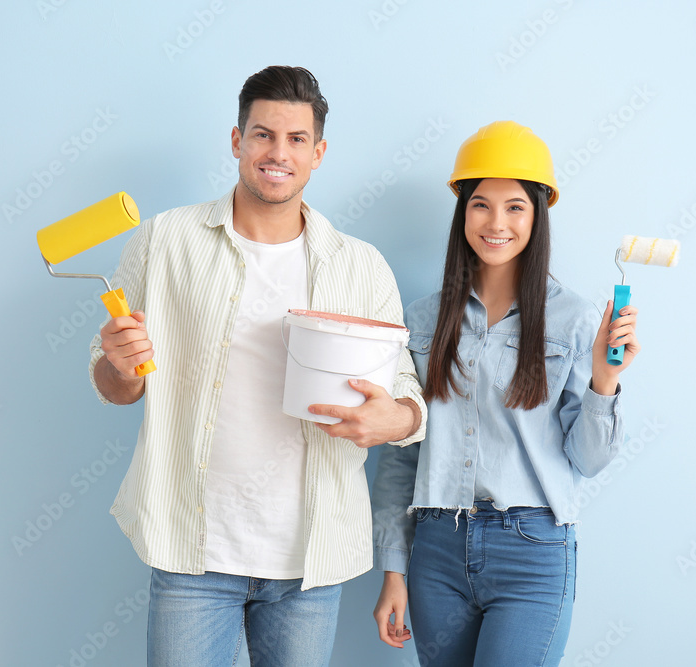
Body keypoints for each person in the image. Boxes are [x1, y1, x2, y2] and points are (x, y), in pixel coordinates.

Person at [88, 65, 426, 666]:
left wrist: (393, 421)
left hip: (309, 562)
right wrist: (119, 367)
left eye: (296, 139)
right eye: (263, 134)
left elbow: (406, 396)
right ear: (237, 140)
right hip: (193, 551)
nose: (278, 153)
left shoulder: (361, 266)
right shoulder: (165, 241)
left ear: (318, 152)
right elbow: (114, 386)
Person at [370, 121, 639, 666]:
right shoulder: (421, 321)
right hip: (437, 551)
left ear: (538, 215)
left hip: (533, 552)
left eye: (515, 206)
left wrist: (603, 382)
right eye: (481, 205)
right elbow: (402, 458)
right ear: (462, 212)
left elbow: (587, 461)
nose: (497, 223)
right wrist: (393, 571)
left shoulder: (574, 318)